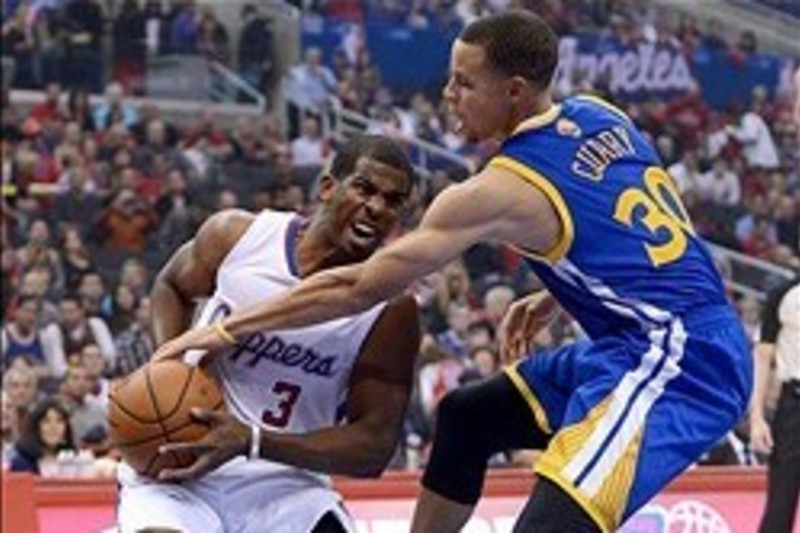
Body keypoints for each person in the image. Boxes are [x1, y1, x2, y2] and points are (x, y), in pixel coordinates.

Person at [154, 11, 752, 533]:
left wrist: (228, 329)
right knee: (466, 417)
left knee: (554, 524)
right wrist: (559, 296)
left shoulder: (496, 189)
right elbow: (644, 224)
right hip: (635, 341)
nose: (447, 94)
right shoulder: (598, 115)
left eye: (464, 83)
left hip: (680, 363)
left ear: (514, 91)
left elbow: (360, 285)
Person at [118, 135, 421, 533]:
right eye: (364, 188)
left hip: (286, 485)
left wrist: (252, 440)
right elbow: (171, 287)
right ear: (328, 188)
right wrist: (168, 378)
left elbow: (373, 447)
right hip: (181, 469)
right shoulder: (239, 236)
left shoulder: (390, 310)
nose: (377, 207)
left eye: (392, 200)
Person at [750, 275, 799, 533]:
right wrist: (756, 416)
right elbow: (762, 355)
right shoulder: (783, 294)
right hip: (793, 407)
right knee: (780, 502)